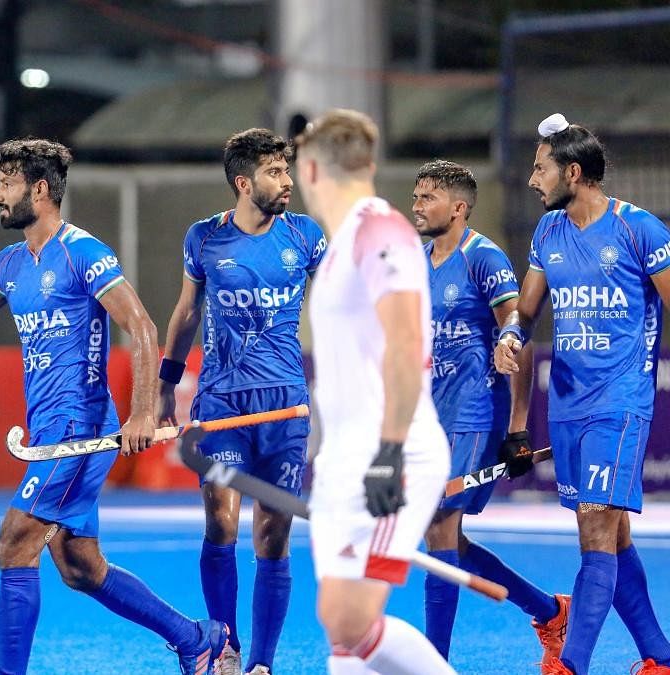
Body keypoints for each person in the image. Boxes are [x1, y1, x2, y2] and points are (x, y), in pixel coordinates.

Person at [0, 138, 229, 675]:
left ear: (39, 190)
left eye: (6, 183)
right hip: (48, 434)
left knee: (14, 544)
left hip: (79, 429)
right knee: (80, 566)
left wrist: (140, 410)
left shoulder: (82, 252)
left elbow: (140, 325)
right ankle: (196, 639)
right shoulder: (12, 263)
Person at [494, 113, 670, 675]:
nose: (531, 180)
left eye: (540, 168)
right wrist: (510, 336)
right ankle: (659, 658)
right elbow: (526, 309)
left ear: (573, 171)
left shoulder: (640, 230)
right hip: (566, 406)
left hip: (620, 403)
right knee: (611, 536)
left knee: (595, 530)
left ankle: (569, 666)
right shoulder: (548, 233)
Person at [292, 109, 454, 675]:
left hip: (394, 453)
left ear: (310, 169)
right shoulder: (338, 246)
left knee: (350, 619)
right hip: (347, 457)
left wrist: (388, 451)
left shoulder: (379, 229)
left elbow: (407, 340)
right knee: (343, 634)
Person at [159, 128, 324, 675]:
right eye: (275, 173)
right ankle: (223, 649)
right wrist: (165, 384)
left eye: (287, 170)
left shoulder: (305, 236)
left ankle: (262, 664)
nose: (287, 182)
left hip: (285, 409)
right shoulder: (203, 238)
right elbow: (186, 313)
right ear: (242, 182)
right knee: (220, 524)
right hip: (223, 406)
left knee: (274, 534)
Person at [411, 159, 570, 665]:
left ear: (457, 208)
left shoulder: (485, 258)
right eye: (414, 197)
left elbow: (516, 339)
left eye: (427, 198)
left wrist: (518, 429)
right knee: (447, 540)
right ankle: (548, 611)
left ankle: (435, 661)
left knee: (438, 526)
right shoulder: (415, 260)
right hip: (432, 419)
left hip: (478, 415)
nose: (416, 206)